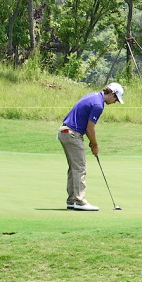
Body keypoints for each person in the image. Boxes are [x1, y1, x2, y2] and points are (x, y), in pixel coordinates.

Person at [58, 82, 124, 211]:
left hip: (65, 131)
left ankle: (72, 200)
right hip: (72, 134)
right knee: (80, 168)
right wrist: (95, 145)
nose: (115, 102)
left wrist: (92, 141)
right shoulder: (98, 104)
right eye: (116, 99)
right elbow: (90, 129)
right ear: (112, 93)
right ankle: (79, 201)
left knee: (74, 168)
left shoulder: (93, 96)